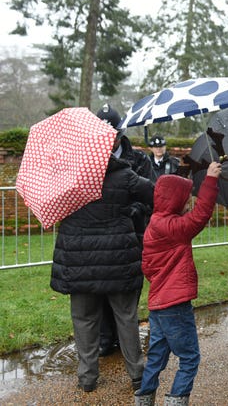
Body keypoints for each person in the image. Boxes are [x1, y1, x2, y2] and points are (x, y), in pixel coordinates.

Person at [50, 152, 154, 393]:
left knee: (84, 320)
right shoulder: (124, 175)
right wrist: (133, 209)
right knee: (126, 317)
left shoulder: (66, 176)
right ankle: (137, 373)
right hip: (118, 257)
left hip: (79, 259)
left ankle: (87, 377)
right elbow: (154, 193)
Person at [134, 161, 221, 406]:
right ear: (174, 201)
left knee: (157, 357)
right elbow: (200, 215)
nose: (187, 203)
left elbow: (148, 266)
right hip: (175, 305)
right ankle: (176, 400)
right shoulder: (173, 227)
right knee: (190, 357)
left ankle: (144, 399)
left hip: (158, 303)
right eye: (184, 199)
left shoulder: (156, 222)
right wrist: (211, 180)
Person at [95, 103, 154, 358]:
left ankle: (126, 339)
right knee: (101, 290)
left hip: (132, 235)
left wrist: (137, 209)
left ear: (120, 134)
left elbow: (153, 193)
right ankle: (106, 338)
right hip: (101, 236)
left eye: (113, 134)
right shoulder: (91, 160)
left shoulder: (139, 160)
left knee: (127, 293)